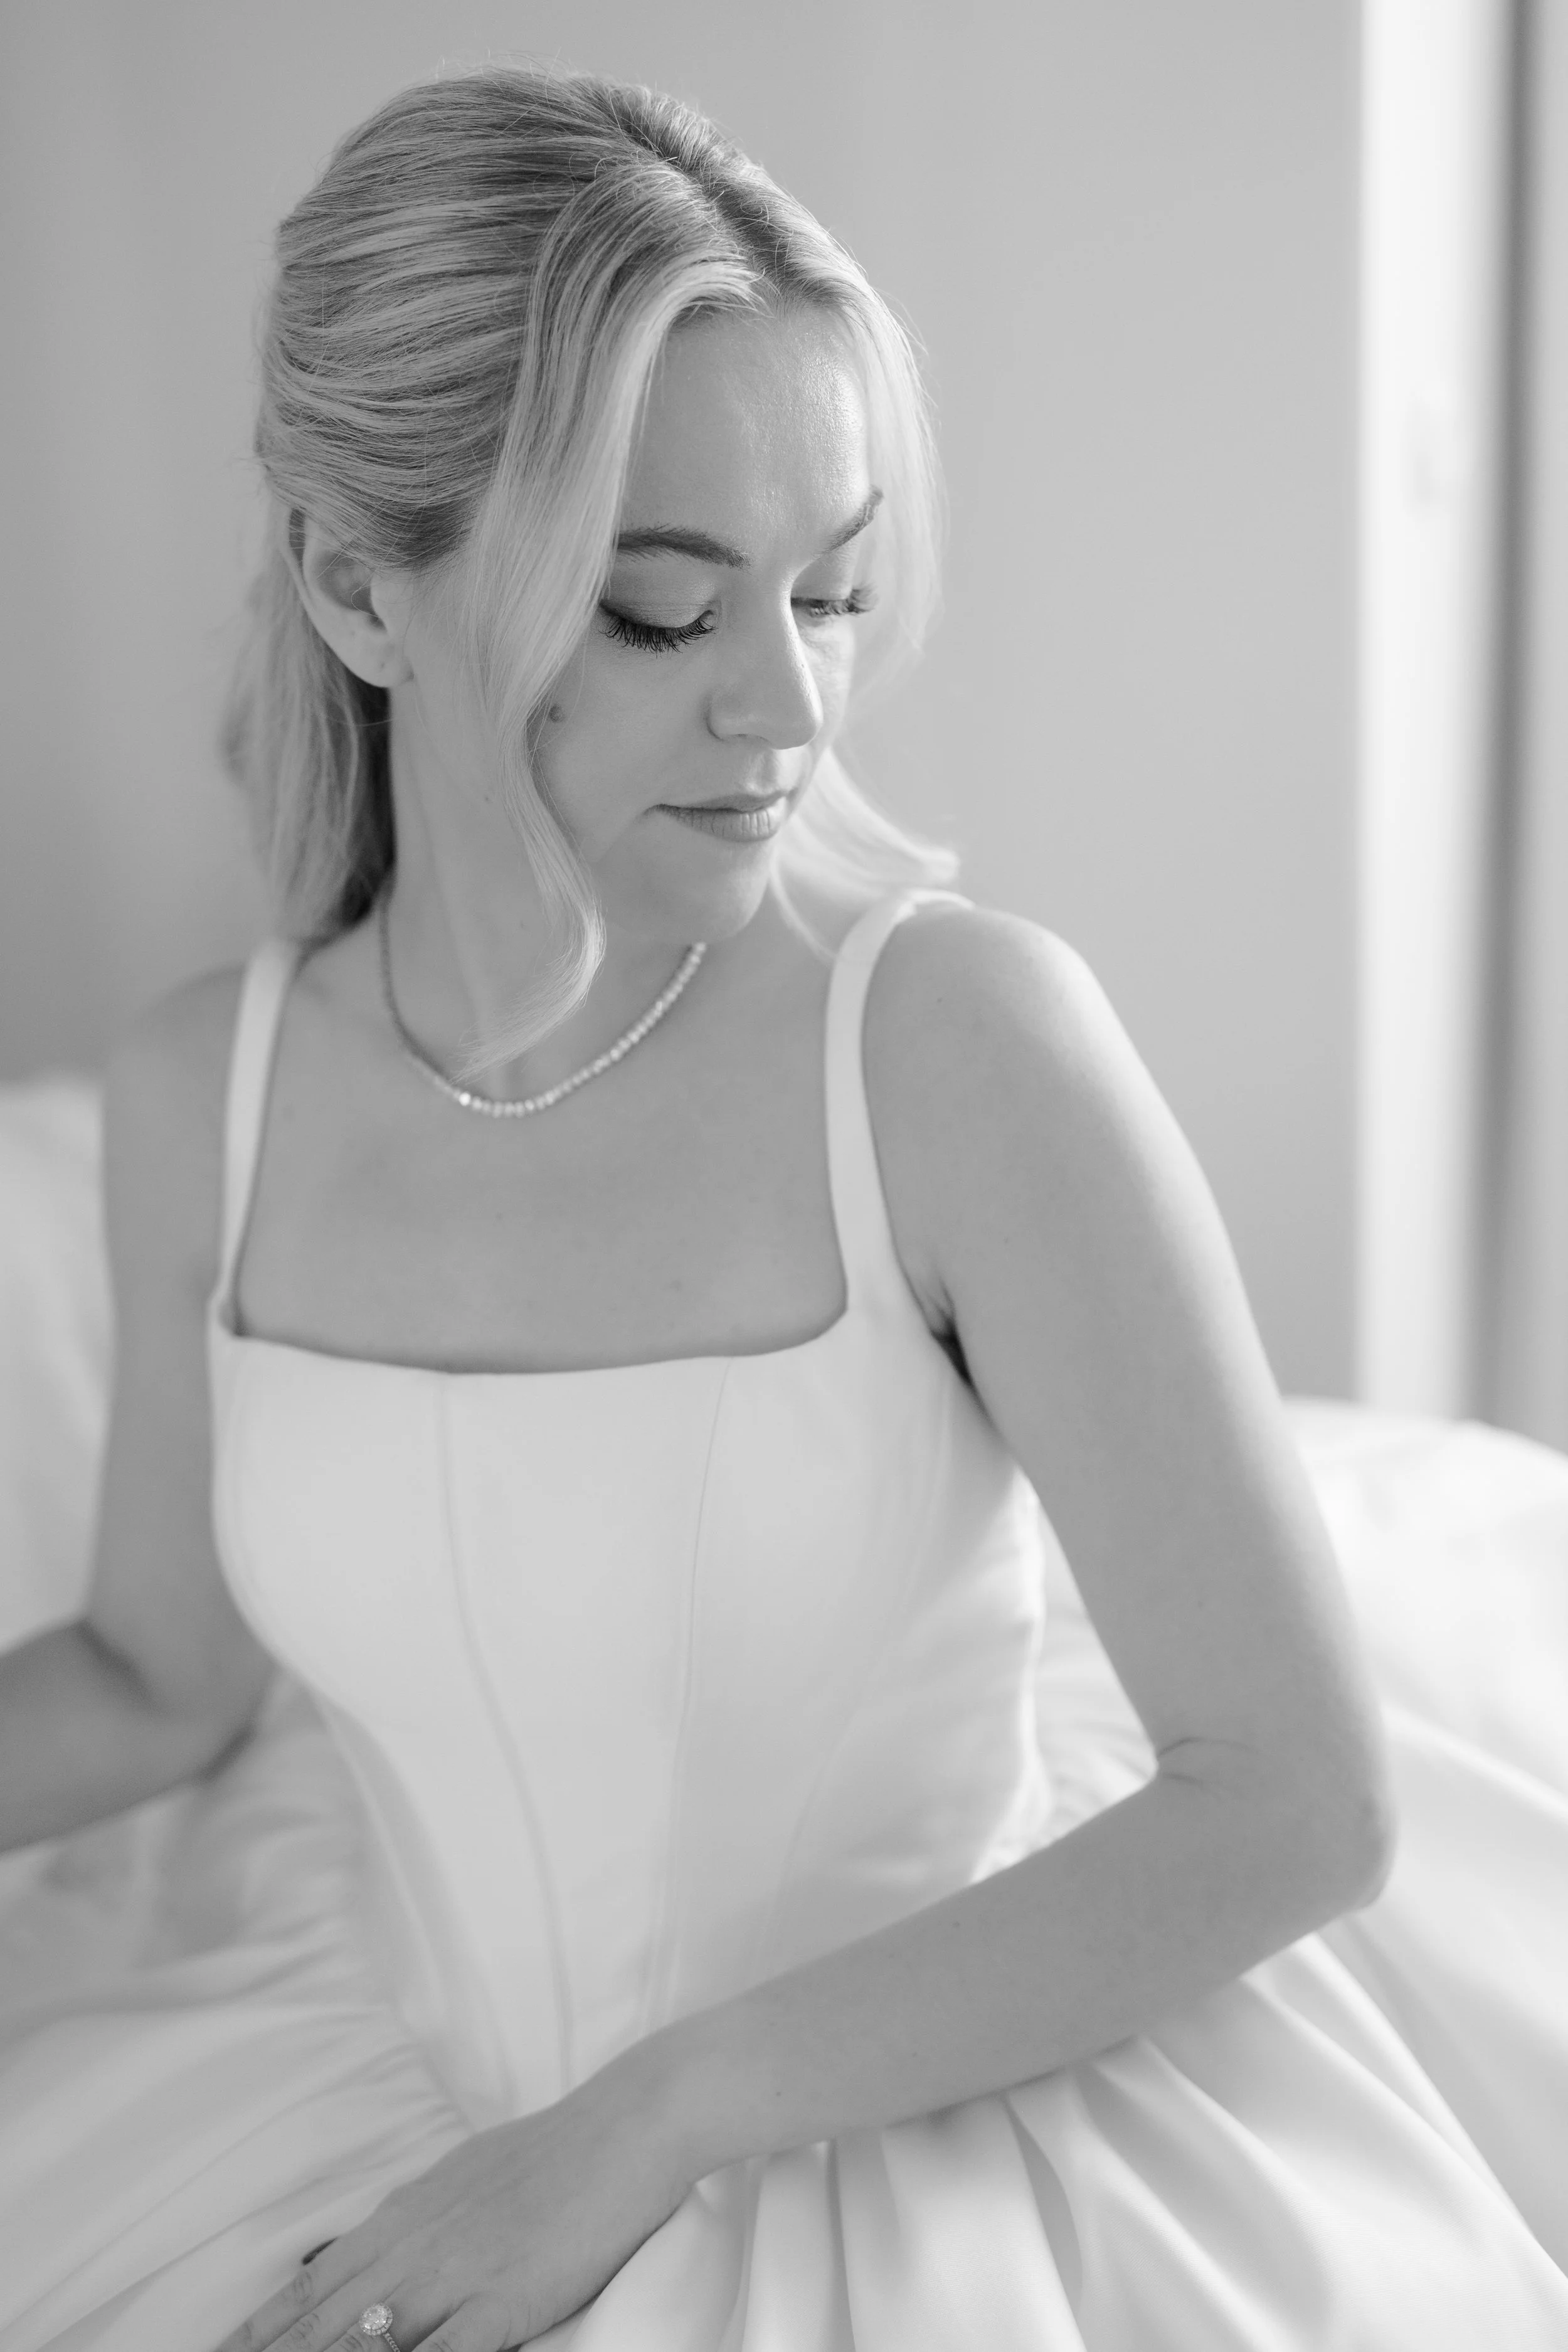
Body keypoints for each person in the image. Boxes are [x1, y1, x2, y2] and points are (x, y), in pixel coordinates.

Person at [1, 61, 1565, 2352]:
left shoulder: (952, 1049)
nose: (787, 709)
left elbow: (1294, 1799)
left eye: (829, 593)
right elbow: (159, 1675)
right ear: (359, 584)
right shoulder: (200, 1095)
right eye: (659, 613)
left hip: (936, 2133)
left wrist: (642, 2126)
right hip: (360, 2094)